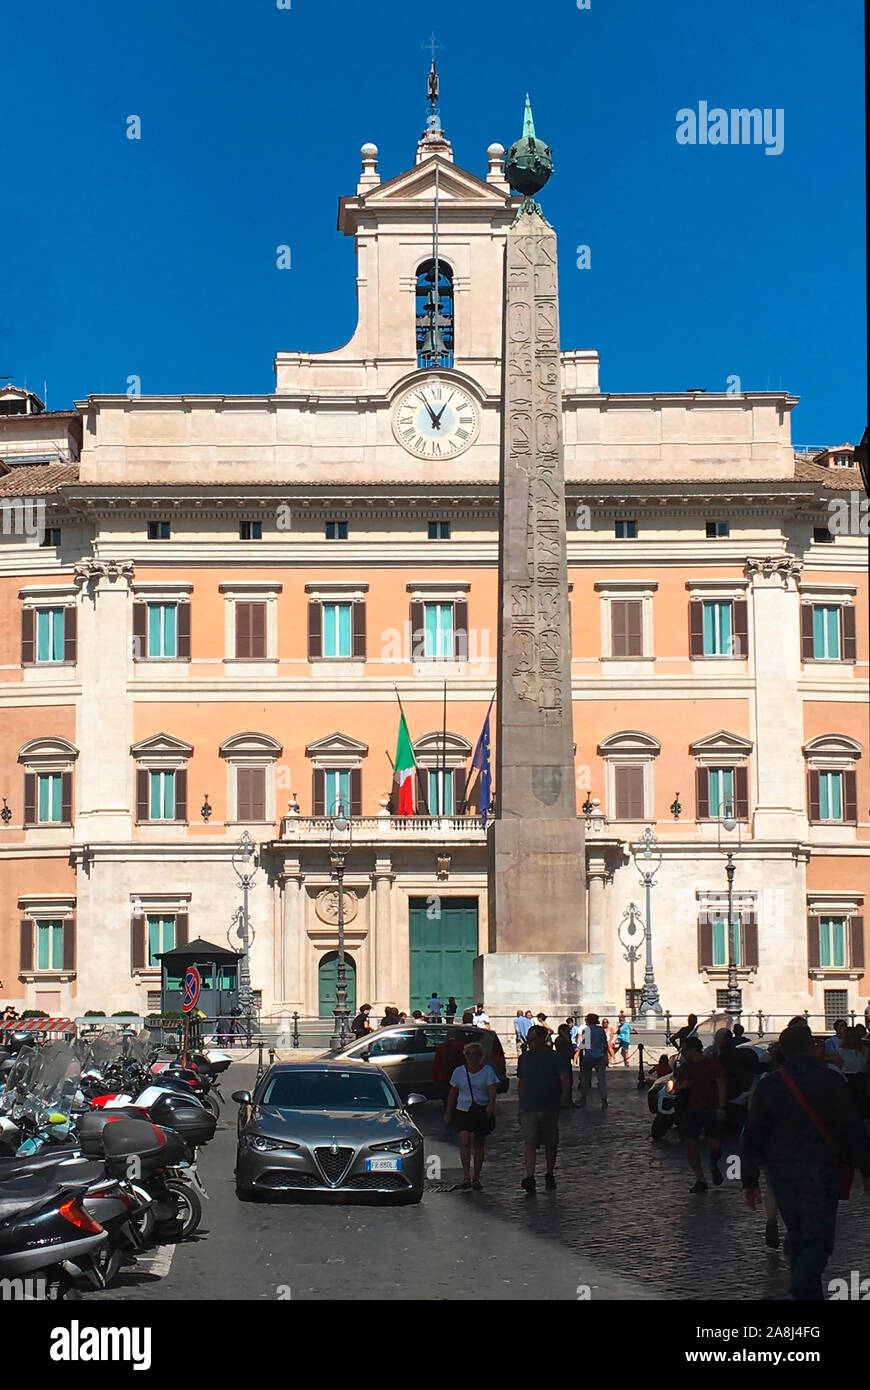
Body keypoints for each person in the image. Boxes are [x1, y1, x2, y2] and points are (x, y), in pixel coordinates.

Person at [742, 1021, 870, 1300]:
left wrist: (749, 1179)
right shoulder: (832, 1081)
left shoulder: (769, 1085)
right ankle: (801, 1289)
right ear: (811, 1047)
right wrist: (866, 1169)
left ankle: (808, 1293)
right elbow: (853, 1128)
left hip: (781, 1170)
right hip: (821, 1167)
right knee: (817, 1237)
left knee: (799, 1233)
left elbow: (753, 1133)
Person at [517, 1025, 571, 1192]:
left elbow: (564, 1077)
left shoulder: (554, 1057)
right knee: (530, 1142)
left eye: (533, 1039)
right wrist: (520, 1103)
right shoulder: (524, 1058)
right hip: (528, 1105)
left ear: (542, 1039)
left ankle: (549, 1173)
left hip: (549, 1105)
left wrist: (564, 1096)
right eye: (528, 1039)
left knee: (550, 1142)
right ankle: (530, 1175)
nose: (530, 1042)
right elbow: (521, 1080)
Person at [443, 1041, 499, 1191]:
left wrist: (491, 1104)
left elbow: (492, 1090)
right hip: (463, 1109)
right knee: (465, 1140)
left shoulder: (487, 1071)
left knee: (479, 1144)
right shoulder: (459, 1072)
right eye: (467, 1053)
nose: (470, 1057)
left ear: (480, 1056)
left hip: (481, 1109)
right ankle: (466, 1175)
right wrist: (448, 1112)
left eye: (473, 1053)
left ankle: (476, 1177)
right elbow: (453, 1093)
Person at [674, 1035, 727, 1193]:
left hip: (710, 1108)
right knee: (690, 1143)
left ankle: (712, 1164)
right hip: (689, 1110)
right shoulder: (685, 1067)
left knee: (714, 1144)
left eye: (684, 1050)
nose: (682, 1053)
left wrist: (721, 1106)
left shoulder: (712, 1065)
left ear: (693, 1050)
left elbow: (721, 1084)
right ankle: (700, 1179)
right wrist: (682, 1086)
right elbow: (676, 1085)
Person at [578, 1013, 609, 1108]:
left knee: (585, 1079)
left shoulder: (586, 1030)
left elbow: (583, 1045)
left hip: (589, 1057)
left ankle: (583, 1098)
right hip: (600, 1057)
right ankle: (604, 1100)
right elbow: (605, 1044)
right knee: (602, 1079)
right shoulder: (601, 1030)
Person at [433, 1030, 467, 1103]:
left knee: (447, 1096)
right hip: (460, 1076)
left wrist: (436, 1077)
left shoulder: (441, 1047)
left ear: (447, 1036)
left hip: (445, 1076)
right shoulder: (462, 1046)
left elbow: (437, 1063)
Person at [554, 1024, 576, 1101]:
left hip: (567, 1061)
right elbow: (567, 1041)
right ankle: (564, 1100)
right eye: (567, 1030)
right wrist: (564, 1035)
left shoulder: (566, 1038)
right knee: (565, 1081)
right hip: (562, 1062)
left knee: (570, 1081)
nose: (569, 1032)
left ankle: (569, 1100)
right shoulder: (559, 1039)